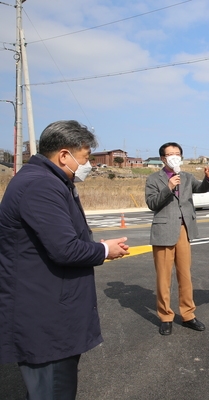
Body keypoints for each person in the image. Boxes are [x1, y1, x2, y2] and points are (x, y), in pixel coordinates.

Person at [0, 120, 129, 399]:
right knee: (53, 389)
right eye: (85, 158)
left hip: (49, 308)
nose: (89, 165)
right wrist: (104, 250)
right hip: (46, 318)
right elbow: (65, 249)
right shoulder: (41, 185)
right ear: (63, 155)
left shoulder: (47, 179)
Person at [145, 143, 209, 335]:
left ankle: (188, 315)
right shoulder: (154, 179)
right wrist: (168, 187)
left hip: (184, 230)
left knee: (185, 275)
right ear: (163, 158)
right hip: (163, 231)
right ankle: (165, 316)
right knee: (163, 278)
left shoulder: (187, 177)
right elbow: (152, 203)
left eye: (177, 154)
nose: (174, 157)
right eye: (170, 154)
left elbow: (201, 189)